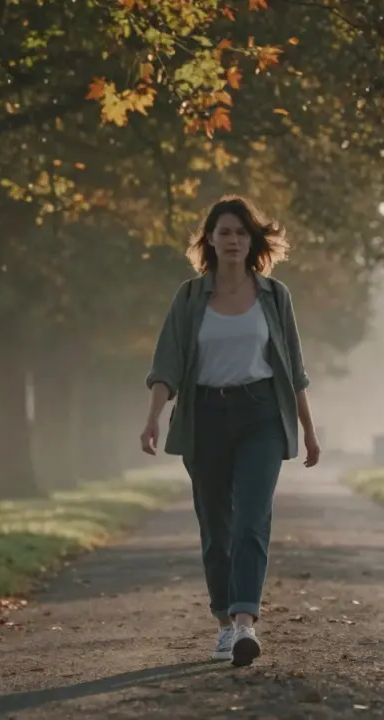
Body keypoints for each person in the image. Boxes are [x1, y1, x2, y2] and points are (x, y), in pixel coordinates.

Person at [140, 195, 321, 668]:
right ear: (210, 241)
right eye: (224, 232)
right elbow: (168, 363)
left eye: (242, 232)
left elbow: (294, 369)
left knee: (251, 520)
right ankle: (223, 622)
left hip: (261, 413)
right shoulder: (189, 297)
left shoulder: (275, 296)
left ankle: (244, 622)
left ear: (253, 240)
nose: (234, 240)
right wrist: (153, 417)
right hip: (206, 417)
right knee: (215, 526)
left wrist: (309, 431)